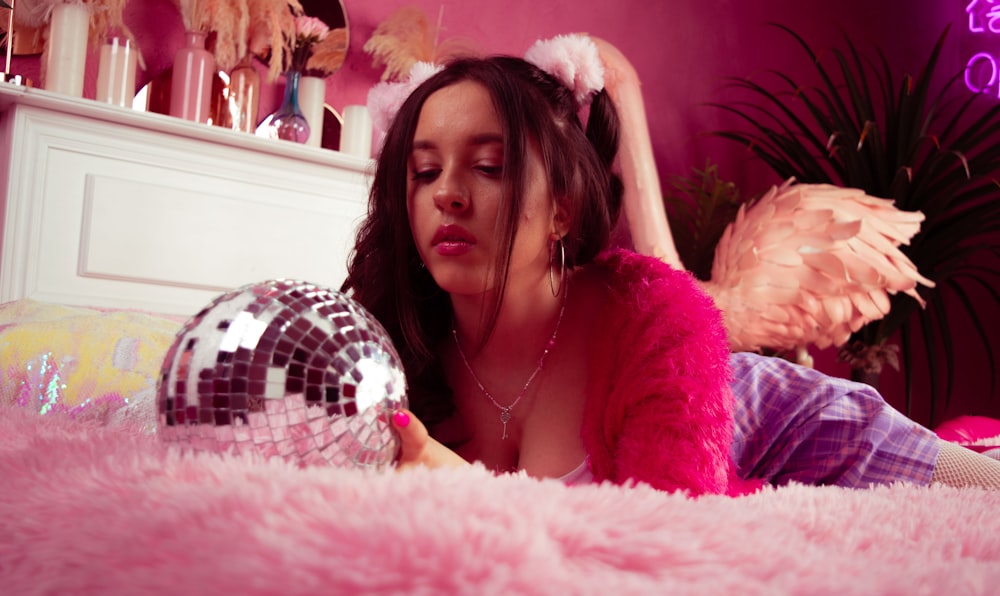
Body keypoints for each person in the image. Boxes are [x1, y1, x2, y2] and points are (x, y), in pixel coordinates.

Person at [342, 36, 1000, 494]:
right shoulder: (384, 349)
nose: (447, 195)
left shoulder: (661, 334)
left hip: (770, 409)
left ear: (564, 211)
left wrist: (468, 493)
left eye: (489, 167)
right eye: (423, 172)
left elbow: (671, 531)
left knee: (979, 486)